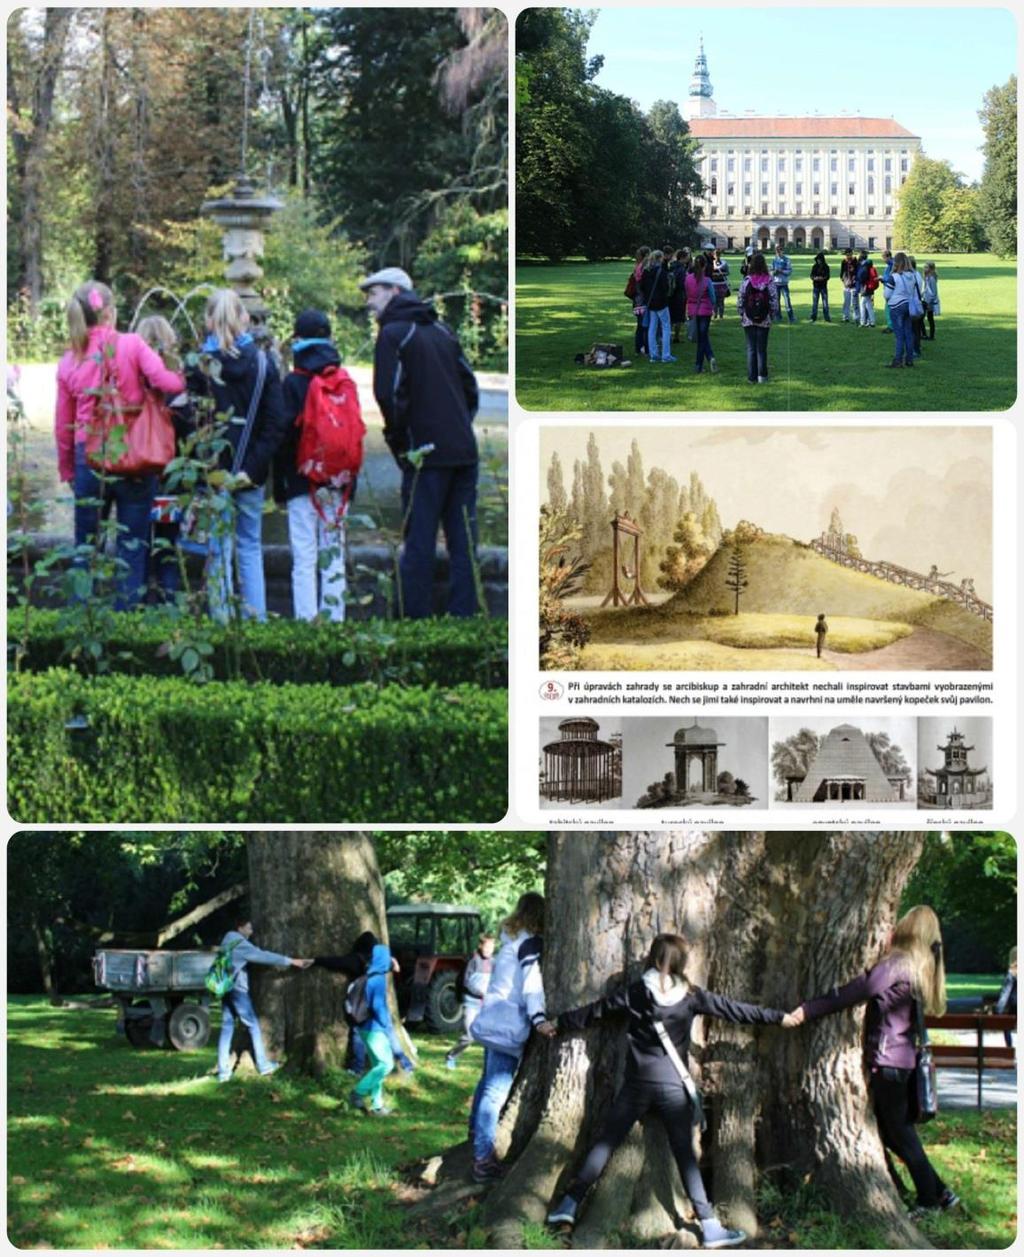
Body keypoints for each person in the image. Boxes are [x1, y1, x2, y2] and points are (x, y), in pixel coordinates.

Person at [545, 933, 786, 1247]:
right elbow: (734, 1009)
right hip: (673, 1087)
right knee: (685, 1155)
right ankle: (710, 1227)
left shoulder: (635, 993)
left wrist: (558, 1024)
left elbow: (595, 1011)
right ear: (680, 964)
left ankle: (569, 1204)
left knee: (605, 1143)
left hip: (636, 1086)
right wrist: (778, 1017)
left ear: (654, 958)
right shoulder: (691, 996)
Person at [786, 905, 959, 1218]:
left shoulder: (897, 964)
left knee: (899, 1134)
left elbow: (857, 990)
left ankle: (929, 1200)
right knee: (896, 1132)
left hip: (889, 1062)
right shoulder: (922, 966)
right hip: (901, 1060)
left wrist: (807, 1010)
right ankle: (941, 1192)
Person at [55, 281, 185, 610]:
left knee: (85, 549)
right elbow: (167, 382)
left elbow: (62, 426)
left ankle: (79, 627)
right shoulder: (132, 344)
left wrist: (68, 469)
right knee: (132, 549)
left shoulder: (70, 360)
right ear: (110, 313)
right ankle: (128, 628)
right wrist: (182, 374)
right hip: (134, 458)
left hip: (90, 461)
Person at [363, 266, 480, 619]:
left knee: (419, 541)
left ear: (395, 292)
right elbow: (470, 388)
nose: (369, 302)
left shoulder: (394, 334)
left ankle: (415, 620)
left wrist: (402, 445)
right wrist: (457, 426)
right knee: (464, 542)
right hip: (463, 451)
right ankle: (464, 617)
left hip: (424, 456)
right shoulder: (442, 330)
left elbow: (387, 396)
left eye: (374, 293)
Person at [187, 289, 288, 623]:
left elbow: (190, 422)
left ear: (208, 320)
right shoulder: (263, 364)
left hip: (213, 473)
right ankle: (256, 621)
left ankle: (221, 620)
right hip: (250, 473)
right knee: (249, 546)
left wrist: (207, 466)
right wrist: (253, 468)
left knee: (218, 549)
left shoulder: (199, 367)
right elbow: (276, 424)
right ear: (244, 318)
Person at [273, 309, 355, 622]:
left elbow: (283, 438)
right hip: (339, 481)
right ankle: (335, 620)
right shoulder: (342, 381)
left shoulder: (294, 382)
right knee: (333, 554)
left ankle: (307, 623)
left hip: (300, 481)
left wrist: (280, 484)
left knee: (304, 557)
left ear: (298, 339)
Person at [468, 892, 555, 1182]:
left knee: (486, 1084)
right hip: (508, 1024)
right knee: (495, 1091)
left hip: (492, 1018)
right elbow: (532, 983)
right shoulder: (529, 943)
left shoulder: (509, 941)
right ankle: (482, 1159)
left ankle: (475, 1141)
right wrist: (539, 1018)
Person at [216, 913, 312, 1083]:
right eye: (249, 927)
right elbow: (263, 956)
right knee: (252, 1024)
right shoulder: (240, 944)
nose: (251, 931)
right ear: (240, 927)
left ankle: (223, 1072)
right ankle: (263, 1065)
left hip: (225, 988)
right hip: (237, 989)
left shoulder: (227, 939)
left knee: (227, 1027)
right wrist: (292, 961)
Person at [135, 315, 191, 600]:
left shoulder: (132, 379)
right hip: (171, 479)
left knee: (139, 543)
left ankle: (140, 606)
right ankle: (169, 603)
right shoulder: (178, 382)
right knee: (168, 545)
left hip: (140, 474)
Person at [313, 930, 416, 1074]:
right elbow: (396, 967)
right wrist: (393, 961)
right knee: (389, 1033)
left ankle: (357, 1068)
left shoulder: (355, 960)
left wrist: (315, 960)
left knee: (357, 1033)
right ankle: (405, 1065)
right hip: (377, 1004)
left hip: (361, 1004)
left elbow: (335, 962)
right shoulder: (382, 961)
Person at [349, 942, 401, 1115]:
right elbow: (378, 1007)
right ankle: (358, 1092)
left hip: (364, 1027)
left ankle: (377, 1105)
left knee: (377, 1066)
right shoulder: (378, 980)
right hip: (375, 1028)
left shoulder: (369, 975)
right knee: (386, 1065)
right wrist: (387, 1026)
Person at [446, 933, 496, 1069]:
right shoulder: (473, 961)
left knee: (490, 1036)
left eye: (492, 947)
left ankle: (489, 1065)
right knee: (470, 1035)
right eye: (487, 947)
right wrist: (480, 993)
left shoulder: (494, 962)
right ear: (480, 946)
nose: (489, 950)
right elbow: (466, 982)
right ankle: (451, 1056)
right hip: (472, 1003)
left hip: (486, 1004)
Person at [736, 252, 779, 385]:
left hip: (748, 318)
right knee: (761, 349)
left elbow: (740, 299)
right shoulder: (769, 280)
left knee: (751, 349)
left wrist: (741, 313)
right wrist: (771, 314)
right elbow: (774, 300)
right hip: (764, 318)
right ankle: (762, 377)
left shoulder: (747, 280)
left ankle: (751, 378)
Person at [882, 252, 918, 368]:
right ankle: (909, 359)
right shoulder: (912, 276)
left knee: (899, 335)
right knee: (908, 333)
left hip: (896, 306)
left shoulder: (894, 277)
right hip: (909, 305)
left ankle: (898, 360)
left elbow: (887, 294)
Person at [640, 250, 675, 364]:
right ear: (660, 259)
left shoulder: (646, 271)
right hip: (661, 303)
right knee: (666, 328)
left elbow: (642, 287)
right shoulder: (661, 271)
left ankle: (654, 355)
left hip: (650, 303)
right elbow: (665, 288)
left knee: (652, 328)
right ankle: (666, 355)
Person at [685, 256, 718, 374]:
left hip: (693, 311)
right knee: (703, 338)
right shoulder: (707, 280)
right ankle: (706, 359)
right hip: (705, 311)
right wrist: (713, 306)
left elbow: (687, 292)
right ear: (704, 266)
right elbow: (713, 297)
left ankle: (701, 363)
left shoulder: (688, 279)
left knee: (701, 338)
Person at [629, 247, 651, 357]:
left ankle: (638, 348)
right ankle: (645, 348)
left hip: (636, 300)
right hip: (642, 300)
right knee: (645, 325)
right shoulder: (643, 267)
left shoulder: (637, 266)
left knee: (640, 326)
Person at [995, 946, 1016, 1049]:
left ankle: (1009, 1047)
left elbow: (1005, 993)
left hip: (1015, 1006)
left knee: (1006, 1024)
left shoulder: (1012, 974)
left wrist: (998, 1010)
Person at [770, 243, 795, 323]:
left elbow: (789, 271)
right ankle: (778, 317)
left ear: (782, 250)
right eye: (777, 251)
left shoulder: (787, 259)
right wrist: (774, 272)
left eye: (779, 250)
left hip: (784, 283)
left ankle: (791, 317)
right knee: (777, 301)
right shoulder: (774, 260)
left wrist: (781, 271)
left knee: (787, 300)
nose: (778, 252)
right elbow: (770, 271)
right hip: (776, 283)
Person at [669, 250, 689, 342]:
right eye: (686, 257)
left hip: (670, 295)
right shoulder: (681, 269)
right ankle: (676, 337)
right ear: (682, 258)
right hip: (679, 295)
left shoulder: (671, 266)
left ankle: (668, 335)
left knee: (671, 316)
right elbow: (682, 284)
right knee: (679, 317)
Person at [908, 257, 926, 359]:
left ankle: (915, 350)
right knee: (916, 328)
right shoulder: (917, 274)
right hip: (918, 303)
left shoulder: (912, 276)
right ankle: (917, 347)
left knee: (913, 328)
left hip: (913, 304)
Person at [857, 253, 879, 328]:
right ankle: (872, 322)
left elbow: (862, 277)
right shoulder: (870, 265)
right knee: (869, 305)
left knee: (862, 304)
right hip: (870, 287)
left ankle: (863, 322)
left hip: (865, 287)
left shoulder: (865, 266)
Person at [809, 252, 831, 321]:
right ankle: (813, 317)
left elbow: (828, 276)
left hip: (823, 287)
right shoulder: (814, 266)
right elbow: (811, 275)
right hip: (816, 286)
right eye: (817, 259)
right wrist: (814, 278)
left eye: (819, 259)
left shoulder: (826, 267)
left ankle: (827, 317)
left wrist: (822, 278)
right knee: (815, 303)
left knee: (825, 303)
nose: (818, 261)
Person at [921, 263, 941, 341]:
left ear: (931, 269)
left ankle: (930, 335)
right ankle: (925, 334)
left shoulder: (932, 279)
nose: (924, 269)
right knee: (923, 318)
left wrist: (930, 303)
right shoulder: (926, 277)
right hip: (925, 300)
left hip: (929, 301)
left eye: (926, 267)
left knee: (929, 318)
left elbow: (934, 292)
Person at [839, 248, 858, 323]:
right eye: (847, 255)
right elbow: (842, 273)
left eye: (849, 255)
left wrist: (854, 278)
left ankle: (856, 317)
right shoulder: (843, 262)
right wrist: (844, 280)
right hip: (846, 285)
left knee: (855, 303)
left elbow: (857, 272)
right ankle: (845, 317)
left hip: (854, 285)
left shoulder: (855, 262)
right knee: (846, 302)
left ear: (852, 254)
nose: (848, 256)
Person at [711, 249, 730, 321]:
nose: (717, 256)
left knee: (721, 301)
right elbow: (709, 273)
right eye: (716, 255)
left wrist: (722, 274)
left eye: (718, 255)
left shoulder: (724, 263)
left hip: (721, 284)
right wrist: (715, 274)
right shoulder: (712, 263)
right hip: (715, 284)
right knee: (715, 301)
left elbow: (728, 272)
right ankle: (715, 315)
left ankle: (720, 315)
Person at [880, 250, 895, 333]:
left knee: (889, 308)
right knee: (888, 308)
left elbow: (890, 278)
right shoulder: (889, 265)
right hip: (887, 287)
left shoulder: (892, 265)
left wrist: (883, 279)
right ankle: (891, 325)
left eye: (884, 258)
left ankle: (891, 326)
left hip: (890, 289)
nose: (883, 260)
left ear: (888, 257)